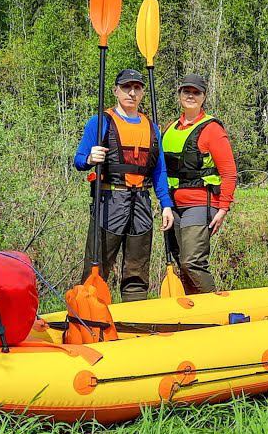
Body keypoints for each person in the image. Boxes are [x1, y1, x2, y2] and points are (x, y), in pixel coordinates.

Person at [73, 69, 174, 301]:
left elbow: (159, 170)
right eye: (126, 87)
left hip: (141, 203)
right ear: (115, 91)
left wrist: (166, 204)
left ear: (142, 93)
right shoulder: (100, 122)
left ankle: (134, 320)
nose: (132, 92)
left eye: (137, 88)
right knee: (97, 267)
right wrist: (90, 158)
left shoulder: (152, 128)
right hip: (110, 202)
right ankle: (88, 316)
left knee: (137, 272)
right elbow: (78, 160)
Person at [162, 73, 237, 294]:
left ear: (204, 97)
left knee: (191, 262)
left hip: (201, 203)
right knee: (180, 263)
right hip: (173, 205)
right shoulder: (169, 128)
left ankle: (216, 312)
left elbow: (229, 173)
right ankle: (195, 312)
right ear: (179, 95)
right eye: (187, 91)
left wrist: (223, 208)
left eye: (197, 92)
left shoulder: (212, 129)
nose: (191, 96)